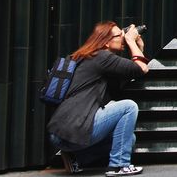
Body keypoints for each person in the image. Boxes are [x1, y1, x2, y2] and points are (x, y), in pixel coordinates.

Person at [47, 21, 150, 176]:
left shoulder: (90, 58)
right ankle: (119, 166)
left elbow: (132, 72)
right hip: (76, 127)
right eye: (120, 35)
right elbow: (141, 68)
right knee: (129, 106)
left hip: (64, 133)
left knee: (129, 139)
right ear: (106, 42)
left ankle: (77, 156)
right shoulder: (102, 57)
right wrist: (130, 41)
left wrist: (139, 48)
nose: (123, 38)